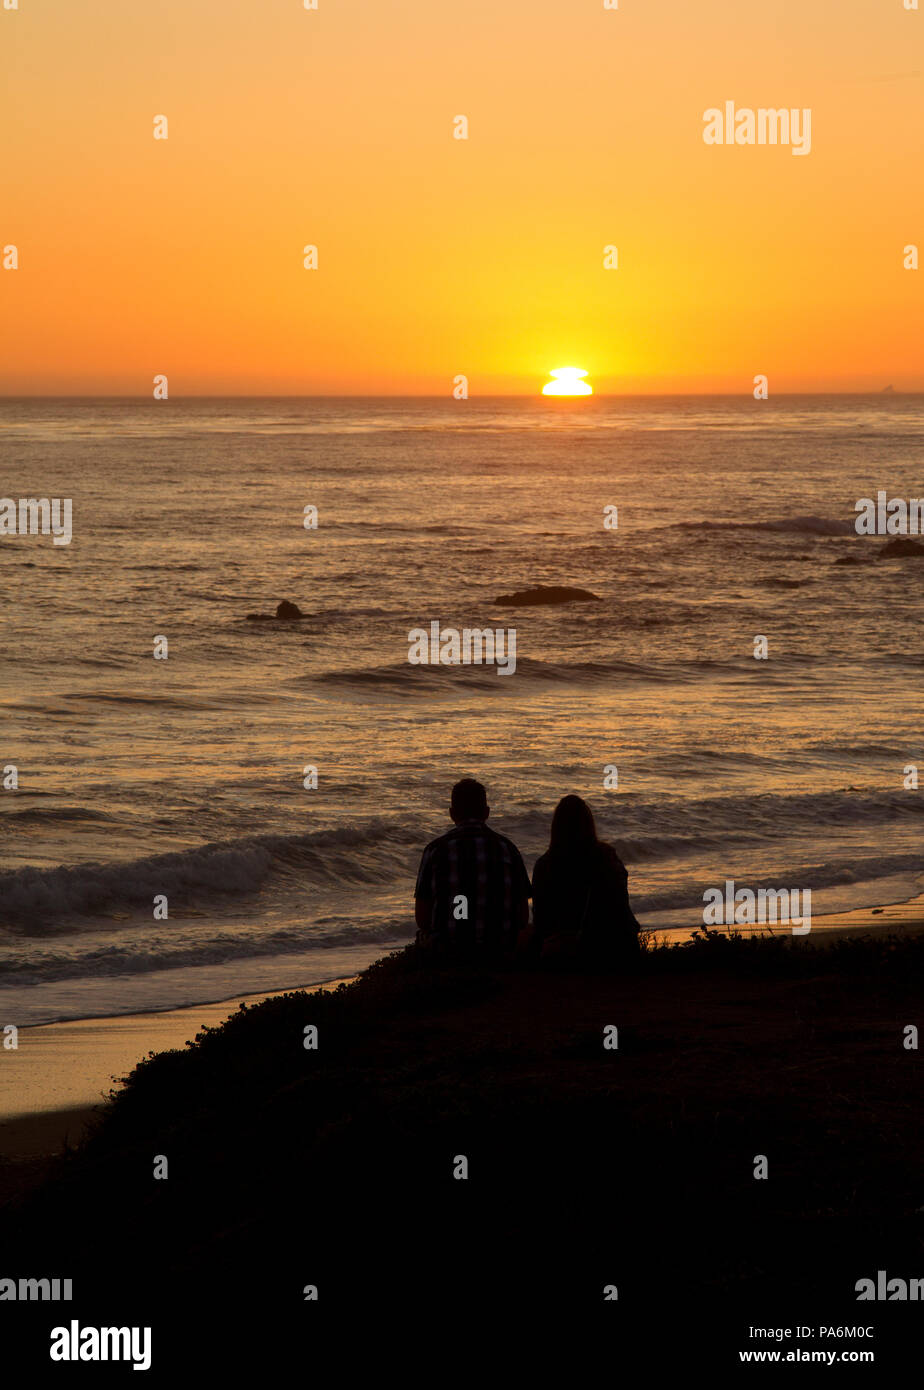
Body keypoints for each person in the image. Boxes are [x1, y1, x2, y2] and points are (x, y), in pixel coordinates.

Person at [414, 778, 531, 960]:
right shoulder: (508, 849)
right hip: (499, 950)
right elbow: (523, 916)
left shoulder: (435, 850)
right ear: (486, 812)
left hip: (449, 952)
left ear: (452, 814)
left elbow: (422, 919)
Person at [530, 794, 641, 964]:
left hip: (580, 950)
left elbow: (541, 919)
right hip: (621, 945)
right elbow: (621, 904)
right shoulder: (608, 856)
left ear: (556, 827)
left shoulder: (546, 864)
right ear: (589, 824)